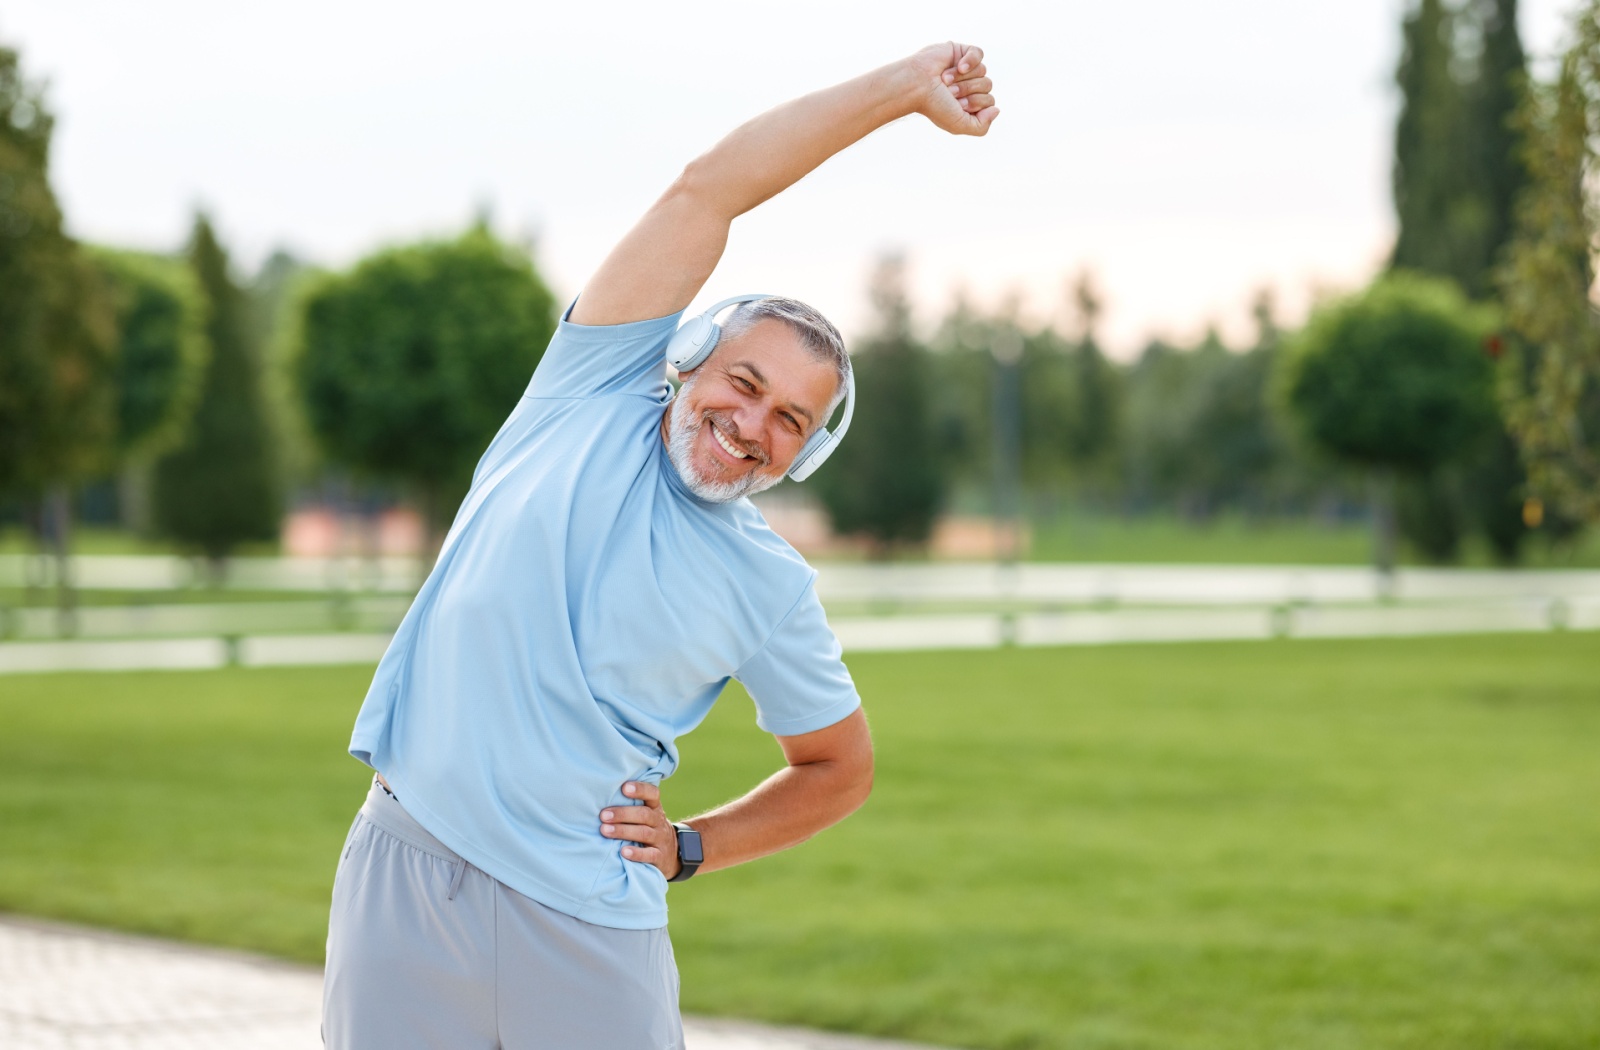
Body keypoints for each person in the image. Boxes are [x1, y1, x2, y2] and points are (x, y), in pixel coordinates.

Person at [322, 41, 999, 1050]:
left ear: (806, 453)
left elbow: (838, 768)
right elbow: (709, 190)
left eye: (791, 421)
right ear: (687, 358)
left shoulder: (767, 584)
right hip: (406, 876)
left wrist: (692, 847)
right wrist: (901, 91)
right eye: (746, 382)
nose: (753, 424)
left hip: (589, 923)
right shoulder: (583, 392)